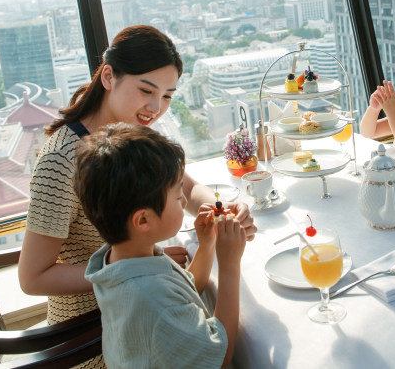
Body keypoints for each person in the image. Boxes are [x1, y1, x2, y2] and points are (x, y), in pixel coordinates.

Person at [18, 26, 256, 364]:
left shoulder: (127, 128)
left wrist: (221, 209)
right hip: (95, 330)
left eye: (168, 96)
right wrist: (133, 269)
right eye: (146, 90)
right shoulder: (60, 161)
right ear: (108, 76)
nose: (156, 107)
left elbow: (186, 188)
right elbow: (32, 277)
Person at [77, 123, 245, 369]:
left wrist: (207, 244)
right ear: (143, 220)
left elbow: (186, 289)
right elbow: (219, 354)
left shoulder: (124, 260)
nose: (185, 200)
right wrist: (230, 266)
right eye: (178, 197)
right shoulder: (150, 297)